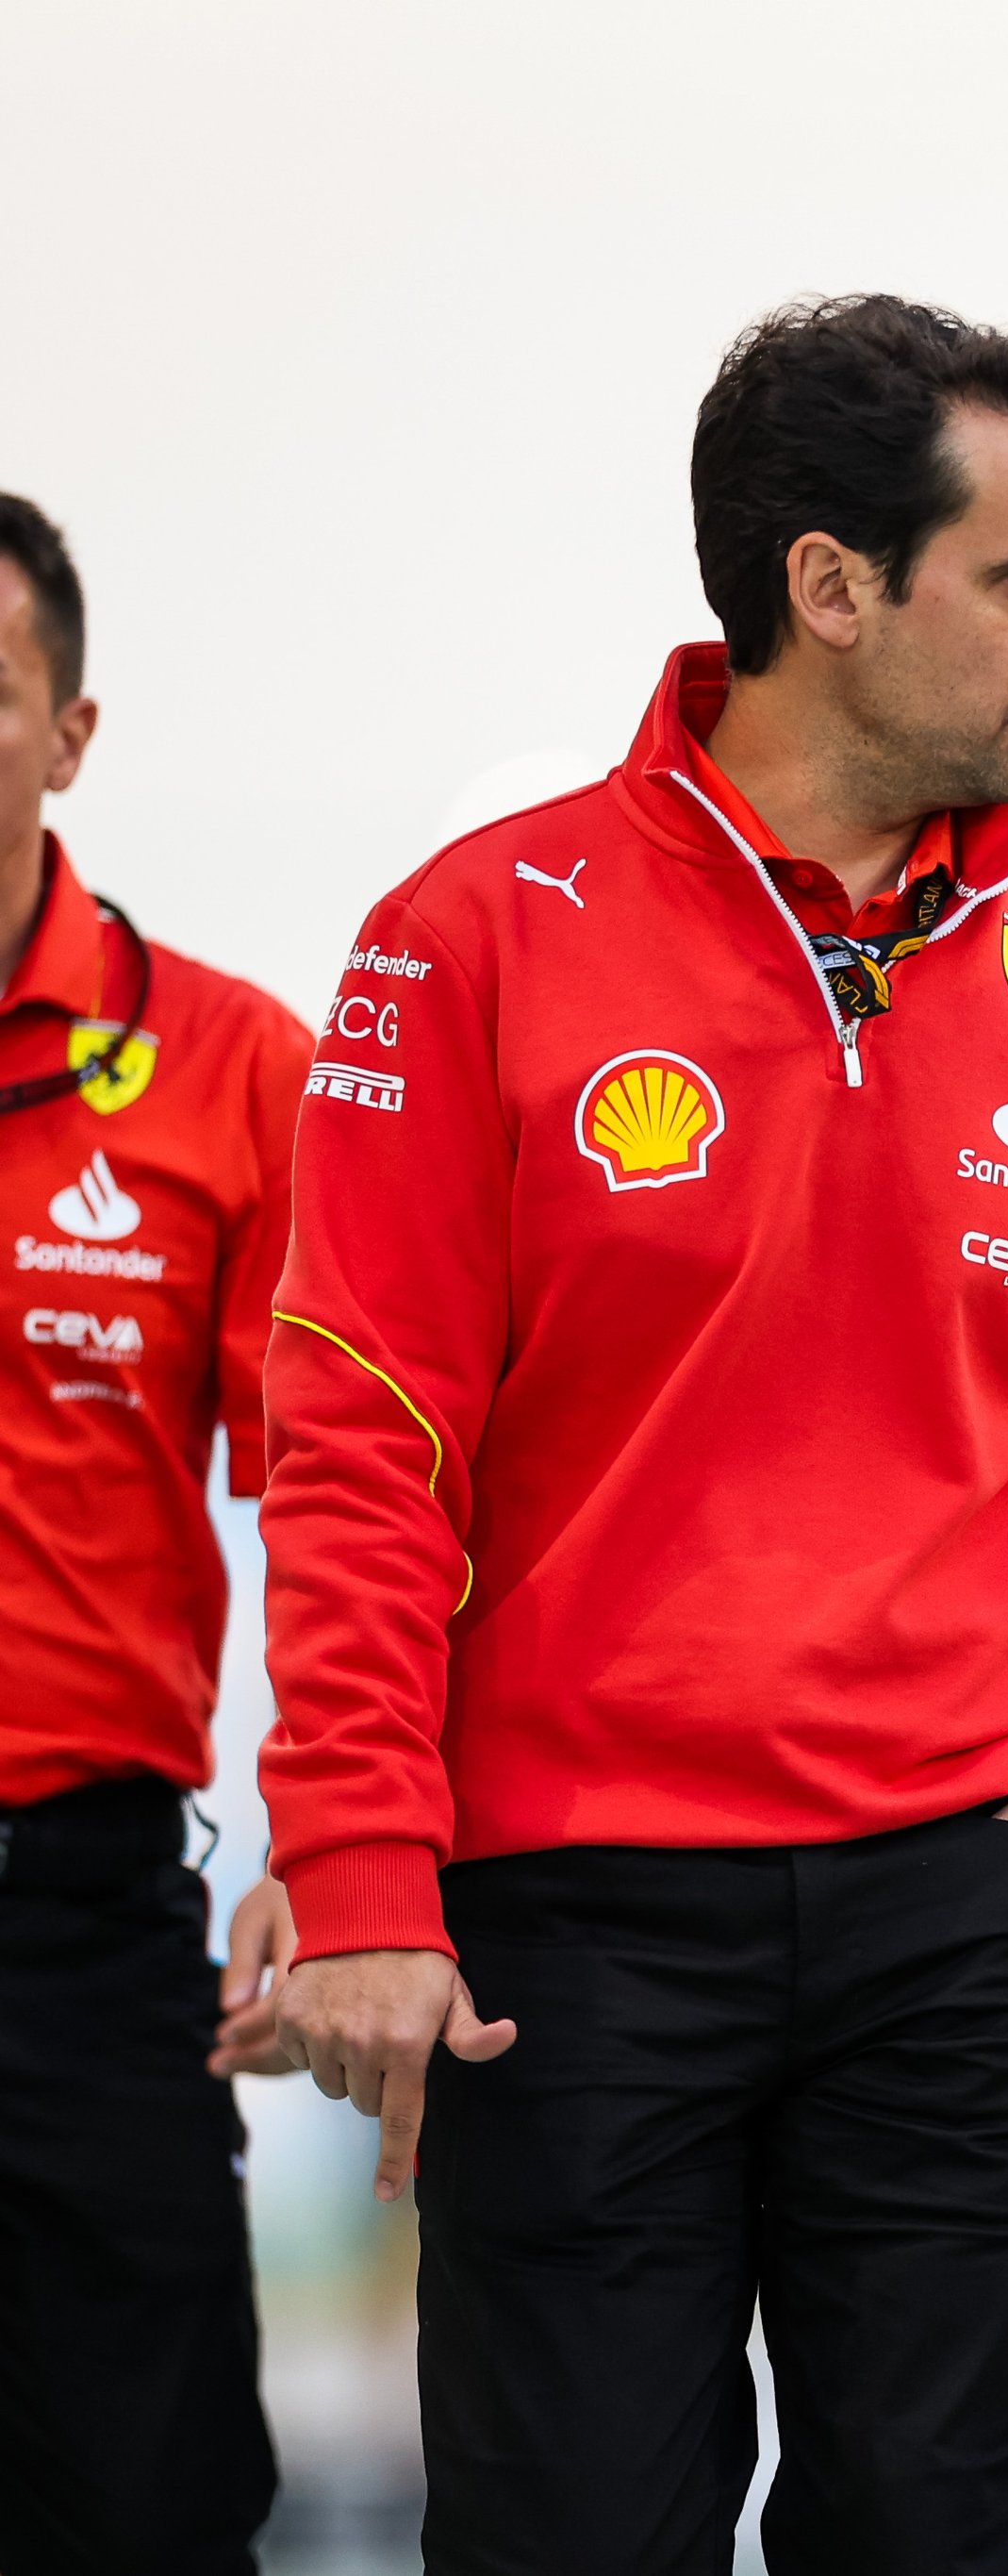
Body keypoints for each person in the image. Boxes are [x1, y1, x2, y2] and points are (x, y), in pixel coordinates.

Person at [256, 296, 1008, 2576]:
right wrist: (361, 1867)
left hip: (979, 1903)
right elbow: (356, 1442)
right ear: (828, 588)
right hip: (567, 1929)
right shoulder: (472, 940)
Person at [0, 491, 306, 2576]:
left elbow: (370, 1493)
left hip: (74, 1936)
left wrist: (340, 1824)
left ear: (69, 732)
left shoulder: (223, 1067)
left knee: (141, 2505)